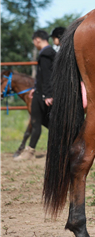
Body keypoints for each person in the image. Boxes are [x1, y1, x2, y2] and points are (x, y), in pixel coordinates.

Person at [16, 30, 56, 160]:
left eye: (34, 42)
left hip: (43, 95)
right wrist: (36, 87)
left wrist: (48, 95)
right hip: (41, 92)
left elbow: (47, 75)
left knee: (36, 121)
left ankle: (29, 152)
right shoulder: (52, 54)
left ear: (37, 40)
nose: (34, 44)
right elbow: (44, 75)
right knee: (48, 122)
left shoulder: (44, 55)